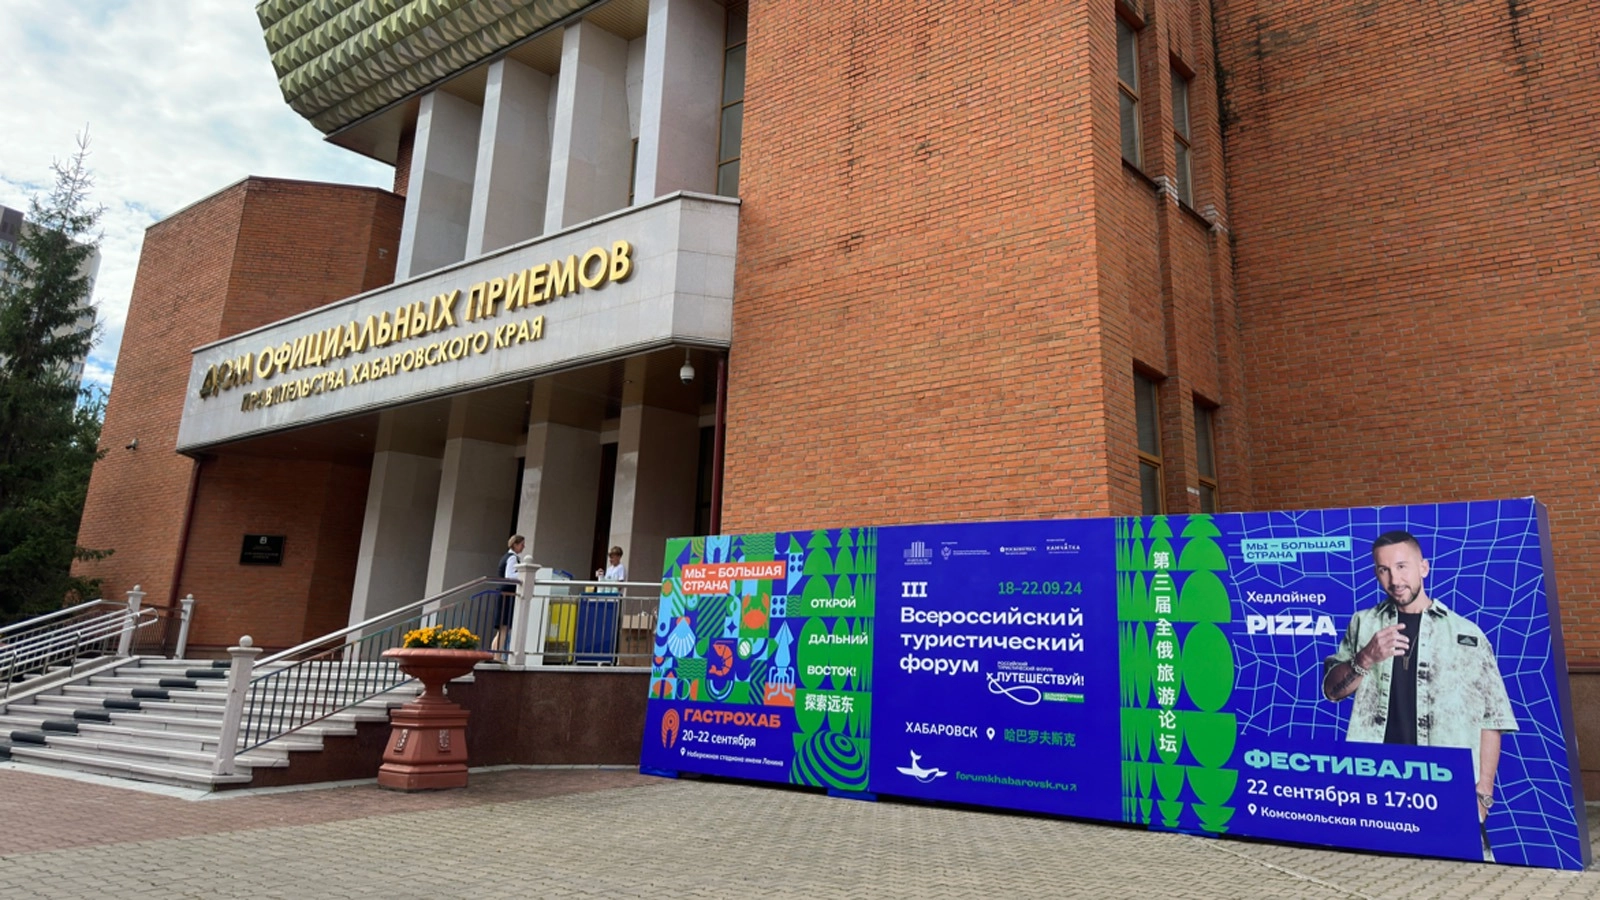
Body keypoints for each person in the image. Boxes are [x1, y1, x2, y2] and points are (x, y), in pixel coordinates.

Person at [1322, 530, 1517, 856]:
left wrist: (1483, 793)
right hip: (1378, 782)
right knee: (1374, 872)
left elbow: (1492, 718)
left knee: (1461, 875)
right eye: (1384, 570)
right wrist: (1365, 658)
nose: (1395, 580)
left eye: (1402, 567)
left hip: (1446, 784)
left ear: (1423, 568)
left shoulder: (1467, 634)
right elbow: (1332, 691)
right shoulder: (1363, 623)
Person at [492, 534, 525, 653]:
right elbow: (509, 575)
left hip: (504, 594)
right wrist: (523, 575)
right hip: (506, 595)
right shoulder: (512, 558)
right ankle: (497, 655)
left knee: (502, 629)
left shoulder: (507, 557)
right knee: (504, 628)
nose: (523, 547)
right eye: (521, 544)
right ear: (515, 545)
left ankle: (495, 655)